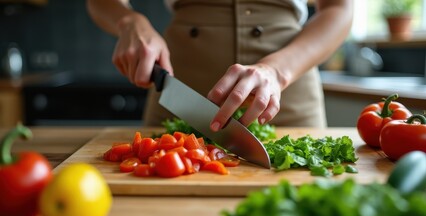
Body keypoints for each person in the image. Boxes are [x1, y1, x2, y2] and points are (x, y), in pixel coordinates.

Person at [87, 0, 353, 131]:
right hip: (181, 94)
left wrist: (276, 71)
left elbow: (339, 8)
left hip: (289, 89)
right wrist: (129, 21)